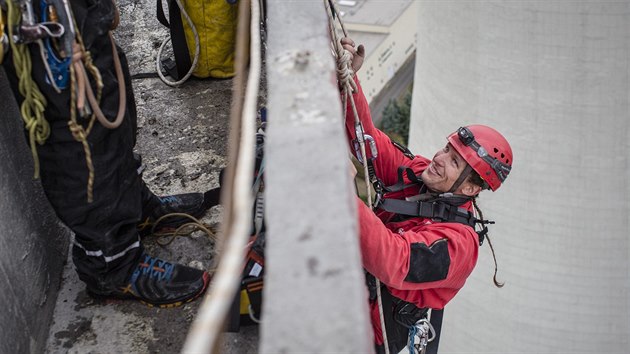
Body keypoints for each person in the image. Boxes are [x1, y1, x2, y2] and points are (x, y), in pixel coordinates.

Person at [2, 0, 219, 307]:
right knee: (77, 126)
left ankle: (135, 208)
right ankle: (112, 264)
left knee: (107, 85)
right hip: (35, 21)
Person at [340, 38, 513, 353]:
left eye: (454, 161)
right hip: (351, 297)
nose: (438, 157)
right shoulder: (419, 174)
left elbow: (394, 261)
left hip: (369, 337)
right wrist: (350, 82)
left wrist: (342, 193)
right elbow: (367, 142)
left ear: (471, 188)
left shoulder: (458, 247)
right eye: (447, 148)